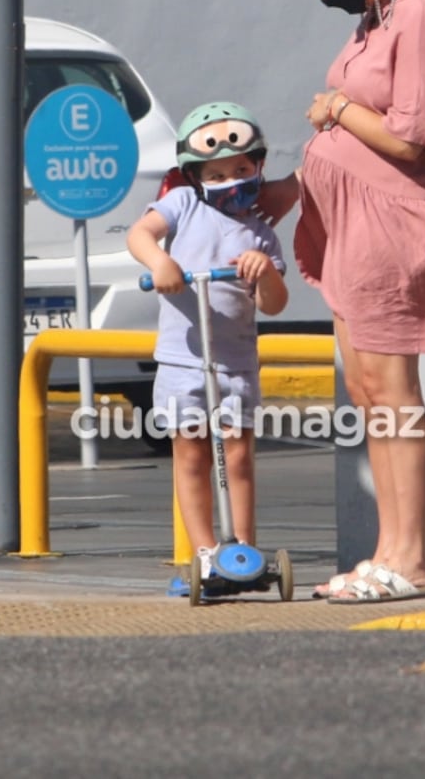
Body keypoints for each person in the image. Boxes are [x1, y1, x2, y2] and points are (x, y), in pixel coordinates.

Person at [260, 0, 425, 603]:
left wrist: (336, 109)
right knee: (365, 389)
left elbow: (413, 138)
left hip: (396, 224)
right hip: (354, 227)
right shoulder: (379, 17)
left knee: (392, 390)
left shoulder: (422, 16)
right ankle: (385, 551)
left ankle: (411, 559)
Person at [127, 102, 288, 581]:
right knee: (192, 454)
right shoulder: (182, 205)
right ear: (195, 176)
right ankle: (204, 552)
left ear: (258, 165)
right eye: (217, 173)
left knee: (238, 457)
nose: (232, 179)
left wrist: (263, 274)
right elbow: (141, 234)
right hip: (184, 361)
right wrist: (160, 263)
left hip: (236, 363)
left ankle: (243, 550)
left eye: (241, 168)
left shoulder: (260, 234)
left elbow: (274, 303)